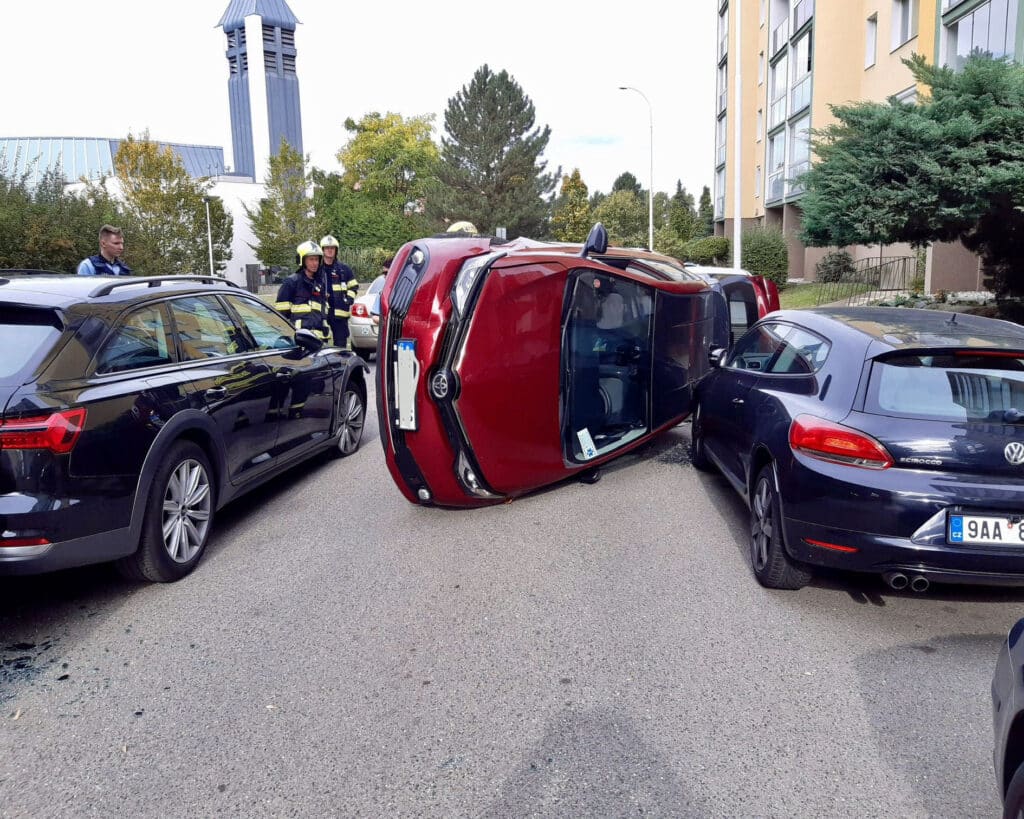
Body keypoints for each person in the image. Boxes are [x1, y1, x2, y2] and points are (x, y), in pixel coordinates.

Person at [274, 241, 330, 340]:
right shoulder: (291, 282)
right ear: (302, 260)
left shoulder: (320, 283)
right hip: (299, 338)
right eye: (311, 259)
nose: (315, 263)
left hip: (319, 338)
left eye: (317, 259)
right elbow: (281, 314)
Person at [319, 234, 358, 348]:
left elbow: (353, 285)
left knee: (341, 344)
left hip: (340, 312)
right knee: (321, 343)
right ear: (322, 250)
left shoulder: (344, 269)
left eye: (332, 248)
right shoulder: (317, 269)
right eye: (327, 248)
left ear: (336, 250)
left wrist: (348, 300)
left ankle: (341, 364)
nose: (330, 250)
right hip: (322, 312)